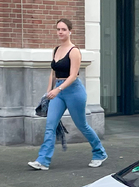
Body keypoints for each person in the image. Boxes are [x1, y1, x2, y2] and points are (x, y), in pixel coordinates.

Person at [28, 18, 108, 171]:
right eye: (58, 29)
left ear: (70, 31)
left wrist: (58, 89)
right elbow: (53, 73)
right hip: (58, 90)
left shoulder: (74, 51)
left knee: (82, 125)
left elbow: (73, 76)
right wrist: (48, 92)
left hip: (73, 91)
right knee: (50, 125)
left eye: (63, 29)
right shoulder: (56, 49)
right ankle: (43, 160)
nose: (60, 32)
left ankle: (99, 153)